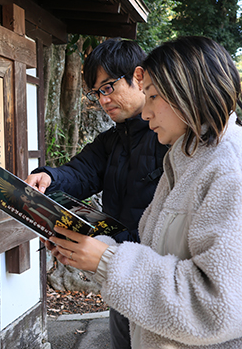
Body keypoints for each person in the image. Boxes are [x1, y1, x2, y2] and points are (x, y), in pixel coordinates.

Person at [48, 36, 242, 348]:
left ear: (186, 91)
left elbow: (217, 306)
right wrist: (93, 251)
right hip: (138, 304)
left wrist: (107, 261)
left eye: (151, 95)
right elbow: (82, 171)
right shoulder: (183, 157)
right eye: (97, 93)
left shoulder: (227, 169)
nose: (147, 112)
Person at [25, 37, 168, 348]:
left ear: (138, 77)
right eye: (96, 93)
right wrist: (49, 178)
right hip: (118, 273)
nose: (103, 100)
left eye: (108, 87)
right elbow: (81, 173)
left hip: (161, 278)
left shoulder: (170, 136)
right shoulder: (112, 140)